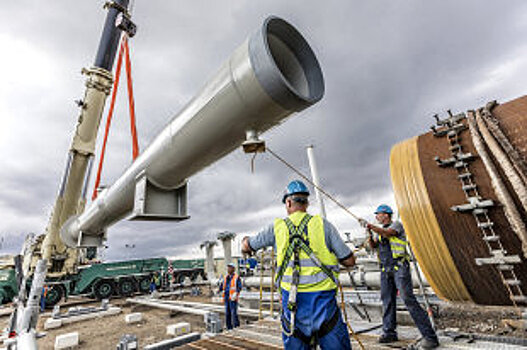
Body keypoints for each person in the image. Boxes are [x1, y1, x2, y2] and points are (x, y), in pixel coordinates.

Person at [242, 180, 355, 350]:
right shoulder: (323, 225)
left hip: (293, 306)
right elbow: (349, 261)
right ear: (307, 202)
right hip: (324, 306)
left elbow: (247, 246)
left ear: (288, 202)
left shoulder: (276, 228)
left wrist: (245, 242)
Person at [363, 204, 439, 349]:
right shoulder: (379, 232)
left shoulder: (396, 225)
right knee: (387, 301)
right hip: (386, 270)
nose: (377, 217)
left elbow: (390, 233)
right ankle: (389, 332)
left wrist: (371, 226)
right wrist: (369, 233)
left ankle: (430, 337)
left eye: (378, 214)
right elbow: (373, 246)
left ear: (386, 214)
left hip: (399, 268)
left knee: (408, 300)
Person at [219, 262, 242, 329]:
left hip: (233, 298)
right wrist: (218, 290)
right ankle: (229, 327)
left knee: (233, 314)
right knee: (227, 314)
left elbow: (239, 287)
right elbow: (222, 286)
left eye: (230, 268)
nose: (228, 269)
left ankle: (236, 326)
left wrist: (236, 293)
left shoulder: (236, 278)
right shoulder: (225, 277)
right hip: (227, 298)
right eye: (228, 267)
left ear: (233, 269)